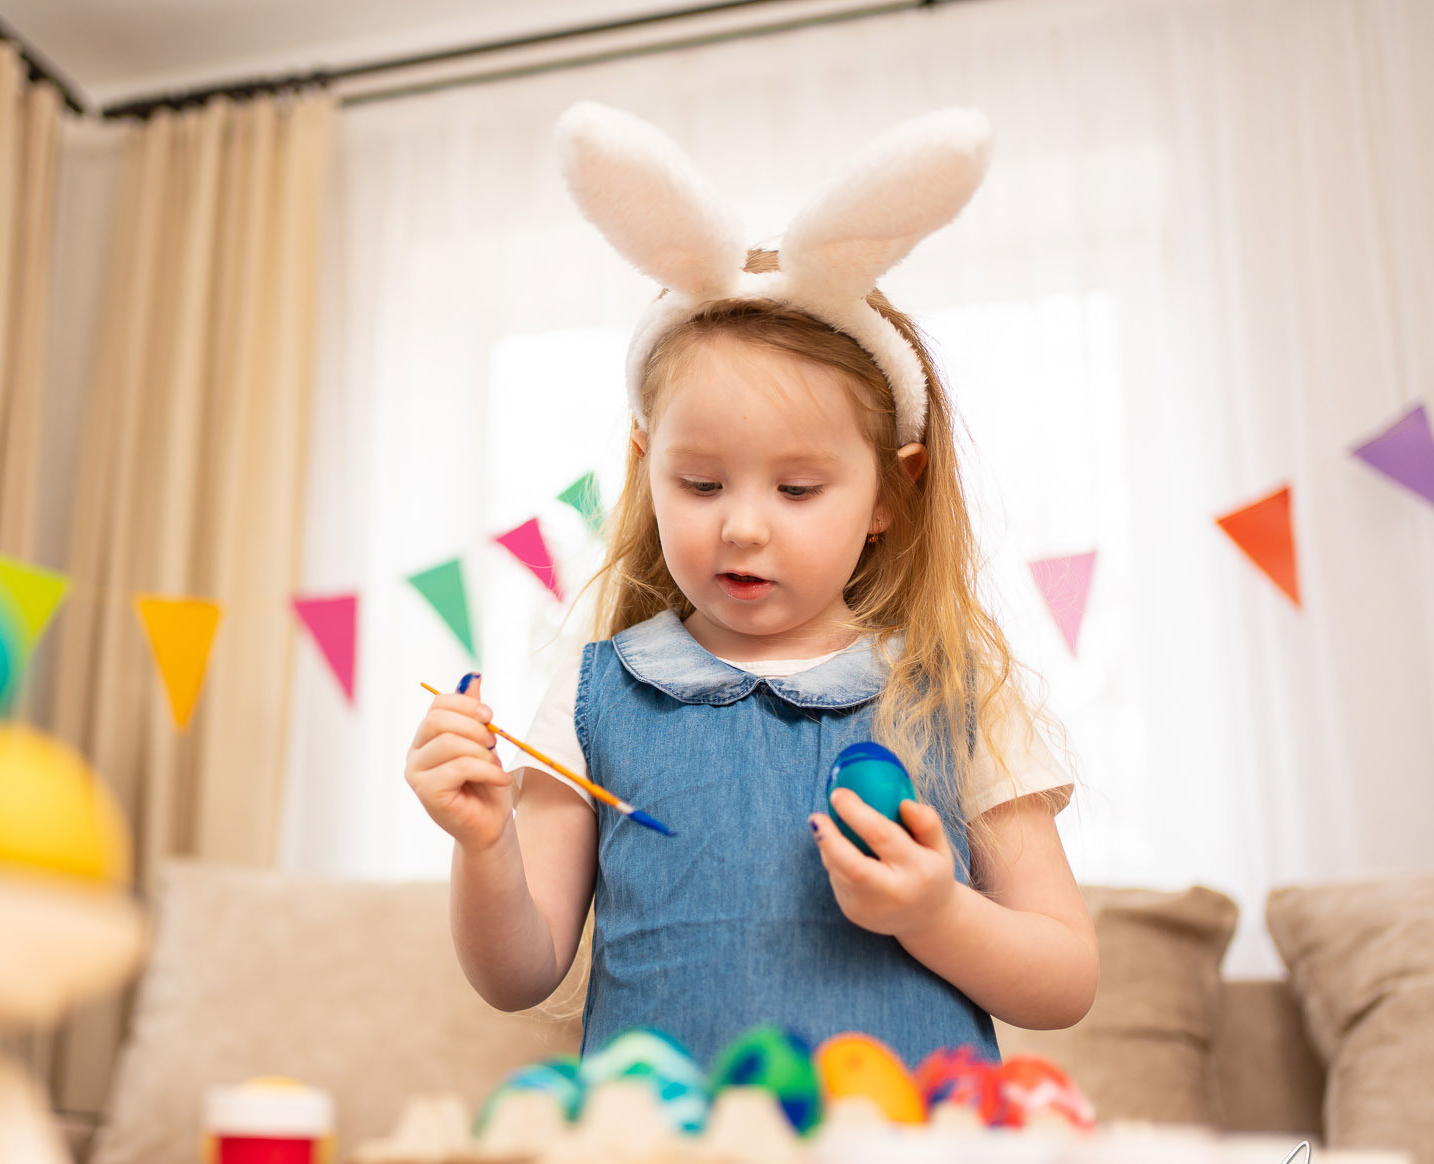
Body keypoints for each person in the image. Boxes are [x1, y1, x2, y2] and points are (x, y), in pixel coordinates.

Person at [404, 102, 1097, 1070]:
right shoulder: (596, 694)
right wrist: (482, 845)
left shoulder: (957, 688)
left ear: (891, 491)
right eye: (697, 482)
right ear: (645, 466)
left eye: (798, 487)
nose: (740, 523)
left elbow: (1064, 979)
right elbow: (518, 972)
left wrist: (935, 912)